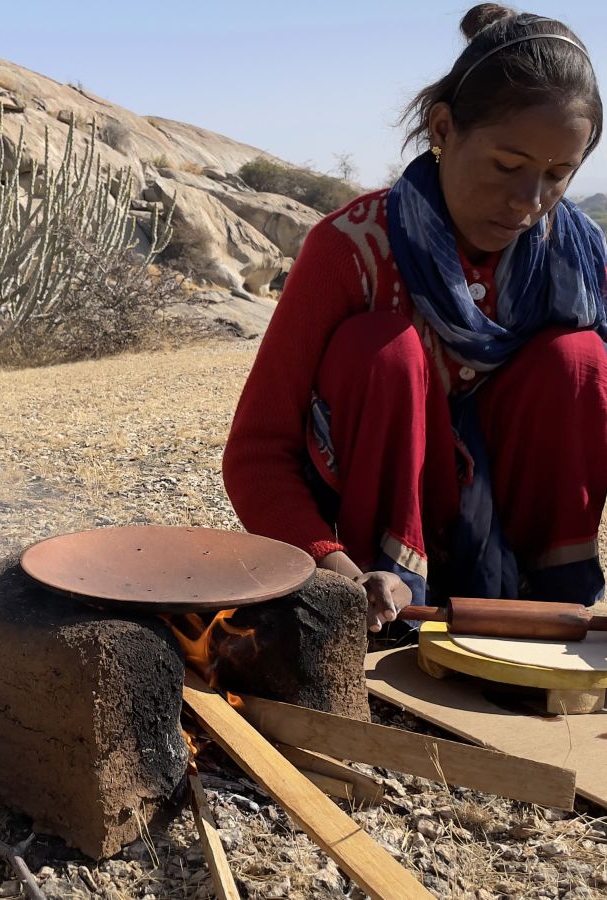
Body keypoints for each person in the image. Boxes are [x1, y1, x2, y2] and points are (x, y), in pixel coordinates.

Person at [222, 3, 607, 634]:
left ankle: (544, 608)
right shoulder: (349, 251)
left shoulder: (579, 256)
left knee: (580, 359)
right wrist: (339, 573)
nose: (528, 202)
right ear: (443, 128)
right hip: (376, 583)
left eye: (558, 176)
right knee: (383, 350)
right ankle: (391, 597)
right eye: (507, 167)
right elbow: (257, 454)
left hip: (519, 580)